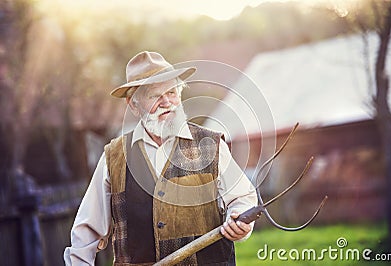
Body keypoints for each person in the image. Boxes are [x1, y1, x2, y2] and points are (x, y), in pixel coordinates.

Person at [64, 51, 257, 265]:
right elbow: (86, 232)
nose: (167, 102)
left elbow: (243, 199)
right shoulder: (114, 157)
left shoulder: (210, 145)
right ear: (133, 105)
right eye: (155, 96)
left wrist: (239, 221)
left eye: (172, 92)